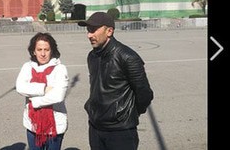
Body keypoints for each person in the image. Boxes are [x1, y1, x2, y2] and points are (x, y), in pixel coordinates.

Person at [78, 12, 154, 150]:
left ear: (109, 31)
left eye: (94, 30)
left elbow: (145, 94)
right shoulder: (92, 56)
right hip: (95, 127)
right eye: (88, 30)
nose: (89, 35)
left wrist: (126, 113)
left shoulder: (128, 57)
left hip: (121, 132)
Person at [16, 32, 69, 150]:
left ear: (52, 50)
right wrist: (44, 89)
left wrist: (35, 101)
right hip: (32, 125)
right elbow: (20, 87)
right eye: (39, 49)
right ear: (33, 51)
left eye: (47, 49)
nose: (43, 53)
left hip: (54, 125)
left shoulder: (60, 69)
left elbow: (58, 96)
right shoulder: (27, 67)